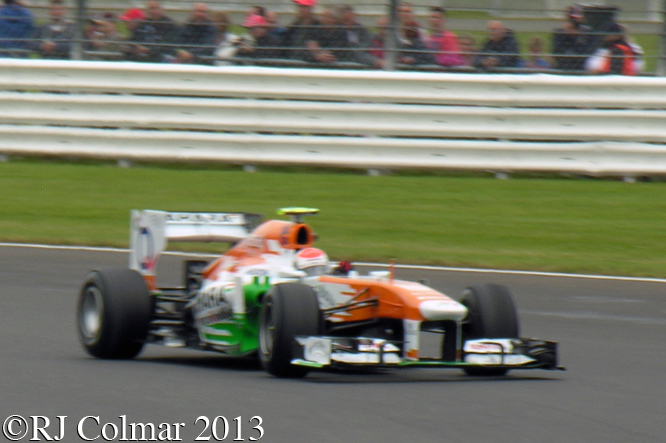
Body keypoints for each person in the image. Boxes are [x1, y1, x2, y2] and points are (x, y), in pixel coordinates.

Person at [551, 6, 594, 72]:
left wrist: (576, 35)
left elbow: (588, 50)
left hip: (580, 65)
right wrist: (566, 34)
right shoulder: (560, 32)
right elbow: (556, 51)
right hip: (563, 65)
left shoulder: (587, 32)